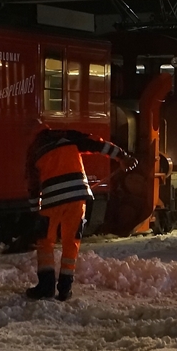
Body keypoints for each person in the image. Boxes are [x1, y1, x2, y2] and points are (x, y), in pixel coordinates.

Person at [25, 124, 137, 301]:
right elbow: (96, 144)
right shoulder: (67, 136)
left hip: (51, 200)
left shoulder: (34, 151)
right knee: (72, 241)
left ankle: (46, 287)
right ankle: (65, 289)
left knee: (46, 242)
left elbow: (33, 186)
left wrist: (34, 212)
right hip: (78, 197)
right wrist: (122, 156)